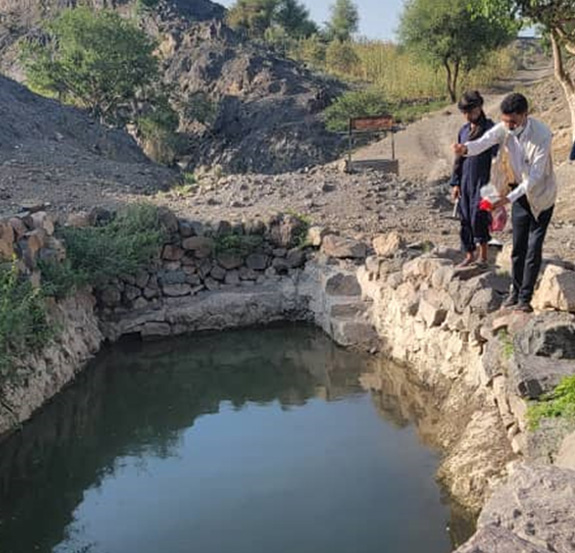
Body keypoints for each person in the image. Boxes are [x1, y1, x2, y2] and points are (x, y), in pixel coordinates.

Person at [452, 92, 556, 313]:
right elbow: (484, 141)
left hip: (540, 196)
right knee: (518, 247)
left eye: (512, 121)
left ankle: (525, 299)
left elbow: (535, 178)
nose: (508, 125)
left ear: (524, 115)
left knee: (533, 248)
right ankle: (515, 293)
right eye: (505, 120)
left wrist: (506, 200)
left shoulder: (541, 135)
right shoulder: (504, 128)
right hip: (517, 193)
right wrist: (466, 149)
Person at [450, 91, 497, 268]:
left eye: (471, 111)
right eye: (465, 113)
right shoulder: (463, 131)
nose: (468, 116)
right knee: (465, 218)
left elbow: (497, 158)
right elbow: (458, 159)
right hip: (465, 180)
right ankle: (470, 254)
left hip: (484, 181)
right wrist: (455, 183)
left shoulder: (490, 129)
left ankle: (483, 256)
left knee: (480, 216)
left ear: (479, 108)